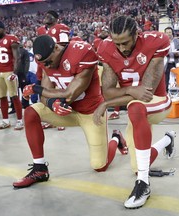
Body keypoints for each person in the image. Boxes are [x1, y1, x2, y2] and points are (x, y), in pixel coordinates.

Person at [12, 35, 128, 188]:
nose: (47, 65)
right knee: (31, 113)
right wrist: (52, 104)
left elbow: (70, 93)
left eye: (48, 61)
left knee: (100, 166)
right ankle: (39, 168)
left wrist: (37, 89)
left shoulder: (82, 52)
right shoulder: (45, 61)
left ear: (56, 48)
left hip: (90, 113)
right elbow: (44, 96)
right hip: (67, 111)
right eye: (43, 63)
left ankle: (116, 138)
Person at [94, 15, 176, 209]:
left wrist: (109, 102)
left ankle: (144, 184)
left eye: (125, 42)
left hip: (158, 101)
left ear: (137, 34)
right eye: (117, 43)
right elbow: (107, 92)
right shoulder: (106, 48)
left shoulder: (155, 42)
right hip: (134, 106)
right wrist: (130, 89)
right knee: (136, 165)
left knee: (137, 107)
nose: (121, 48)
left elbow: (145, 94)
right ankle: (168, 139)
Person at [36, 10, 70, 130]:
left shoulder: (61, 28)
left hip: (57, 63)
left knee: (59, 90)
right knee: (46, 91)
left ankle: (61, 120)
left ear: (56, 18)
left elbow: (65, 44)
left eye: (49, 16)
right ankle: (51, 119)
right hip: (44, 64)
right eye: (45, 15)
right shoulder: (40, 30)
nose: (46, 17)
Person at [0, 20, 24, 130]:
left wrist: (14, 73)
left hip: (9, 71)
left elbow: (17, 58)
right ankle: (5, 121)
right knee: (2, 97)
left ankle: (19, 121)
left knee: (14, 96)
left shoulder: (11, 39)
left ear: (4, 29)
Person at [164, 27, 179, 92]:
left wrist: (178, 54)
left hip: (175, 62)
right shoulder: (163, 42)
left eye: (170, 32)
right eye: (167, 32)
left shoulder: (177, 41)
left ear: (172, 33)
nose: (168, 34)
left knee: (177, 77)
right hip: (167, 62)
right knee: (166, 78)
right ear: (165, 33)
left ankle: (178, 90)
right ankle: (165, 92)